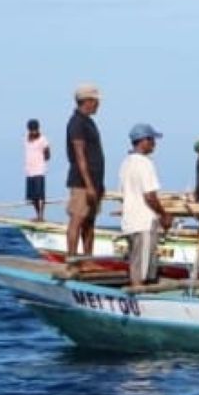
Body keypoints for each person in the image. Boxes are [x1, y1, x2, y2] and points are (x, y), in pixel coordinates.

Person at [118, 123, 172, 287]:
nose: (154, 144)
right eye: (152, 140)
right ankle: (139, 298)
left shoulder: (125, 163)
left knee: (136, 262)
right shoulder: (145, 163)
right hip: (143, 223)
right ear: (143, 141)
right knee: (142, 269)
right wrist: (164, 214)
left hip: (129, 221)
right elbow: (150, 196)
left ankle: (138, 291)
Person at [65, 83, 105, 257]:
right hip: (82, 182)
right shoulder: (76, 123)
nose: (98, 104)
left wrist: (97, 185)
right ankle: (72, 259)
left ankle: (88, 259)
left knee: (90, 222)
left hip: (95, 182)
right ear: (88, 101)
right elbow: (79, 155)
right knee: (77, 219)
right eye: (96, 101)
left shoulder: (89, 122)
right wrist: (88, 184)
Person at [24, 118, 51, 222]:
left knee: (40, 195)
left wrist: (42, 158)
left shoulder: (43, 139)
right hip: (29, 171)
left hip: (39, 170)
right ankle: (37, 214)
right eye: (31, 129)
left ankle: (41, 216)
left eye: (35, 129)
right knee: (33, 197)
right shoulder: (26, 138)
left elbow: (48, 154)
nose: (33, 131)